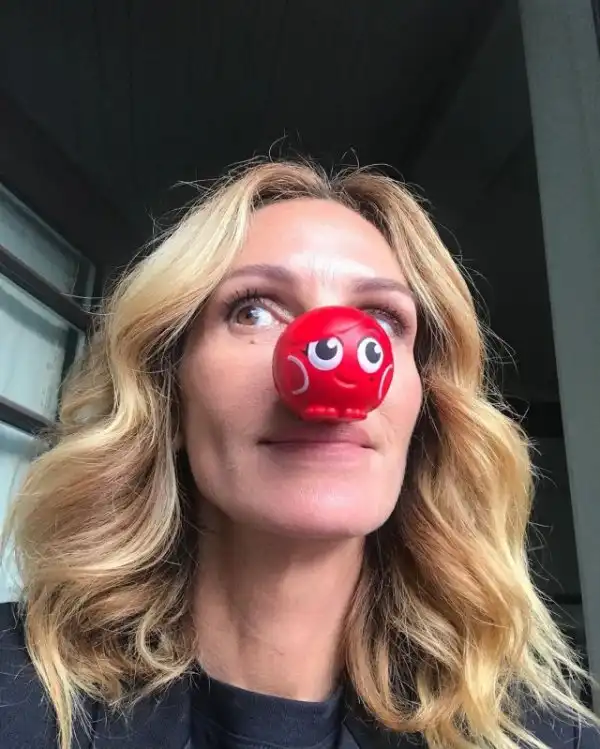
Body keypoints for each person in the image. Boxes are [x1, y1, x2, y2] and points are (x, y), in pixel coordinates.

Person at [0, 159, 598, 749]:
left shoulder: (546, 739)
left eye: (381, 318)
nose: (330, 355)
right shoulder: (17, 702)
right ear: (168, 394)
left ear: (424, 413)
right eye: (253, 310)